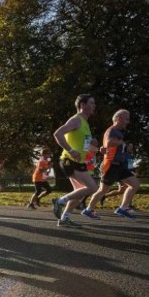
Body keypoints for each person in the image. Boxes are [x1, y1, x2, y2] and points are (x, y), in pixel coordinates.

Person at [82, 109, 140, 219]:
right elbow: (108, 143)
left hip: (120, 165)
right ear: (119, 119)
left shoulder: (119, 132)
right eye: (126, 119)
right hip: (111, 165)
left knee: (135, 184)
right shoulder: (112, 130)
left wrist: (125, 147)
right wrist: (121, 143)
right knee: (103, 190)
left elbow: (113, 147)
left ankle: (122, 208)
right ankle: (88, 210)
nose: (128, 122)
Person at [52, 94, 99, 227]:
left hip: (79, 162)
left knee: (78, 193)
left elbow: (83, 144)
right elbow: (57, 134)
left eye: (94, 103)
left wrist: (93, 144)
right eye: (91, 103)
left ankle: (64, 219)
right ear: (82, 105)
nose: (94, 106)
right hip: (69, 160)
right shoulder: (76, 120)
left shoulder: (85, 123)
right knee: (92, 187)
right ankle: (59, 201)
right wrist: (71, 150)